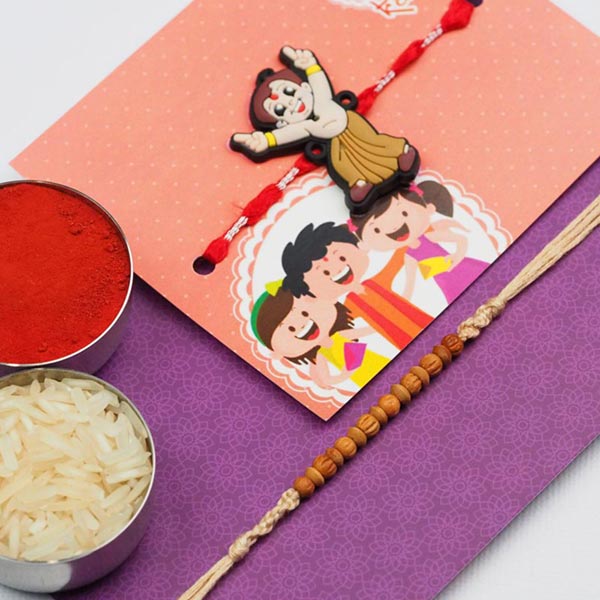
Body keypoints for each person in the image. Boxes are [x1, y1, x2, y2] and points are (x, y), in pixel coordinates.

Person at [230, 46, 419, 214]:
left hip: (352, 125)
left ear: (305, 87)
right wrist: (267, 141)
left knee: (374, 141)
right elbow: (287, 135)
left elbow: (318, 81)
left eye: (290, 92)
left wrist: (311, 66)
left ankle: (401, 154)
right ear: (281, 123)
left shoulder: (323, 99)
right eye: (280, 110)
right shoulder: (305, 126)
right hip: (335, 144)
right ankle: (360, 184)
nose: (290, 103)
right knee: (342, 163)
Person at [282, 222, 432, 350]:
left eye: (341, 257)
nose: (337, 269)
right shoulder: (350, 304)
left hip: (426, 322)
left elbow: (397, 261)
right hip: (403, 342)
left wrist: (409, 282)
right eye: (325, 272)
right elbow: (345, 332)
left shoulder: (375, 281)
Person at [351, 180, 489, 303]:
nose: (394, 227)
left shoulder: (428, 238)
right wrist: (402, 301)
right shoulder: (409, 256)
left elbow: (461, 239)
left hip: (462, 268)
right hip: (445, 282)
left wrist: (457, 257)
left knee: (488, 284)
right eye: (377, 230)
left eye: (404, 213)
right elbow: (410, 284)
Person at [252, 286, 388, 389]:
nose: (301, 324)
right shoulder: (321, 356)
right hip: (361, 381)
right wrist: (345, 374)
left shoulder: (341, 336)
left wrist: (382, 323)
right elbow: (327, 379)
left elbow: (369, 330)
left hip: (380, 364)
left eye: (304, 313)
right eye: (291, 328)